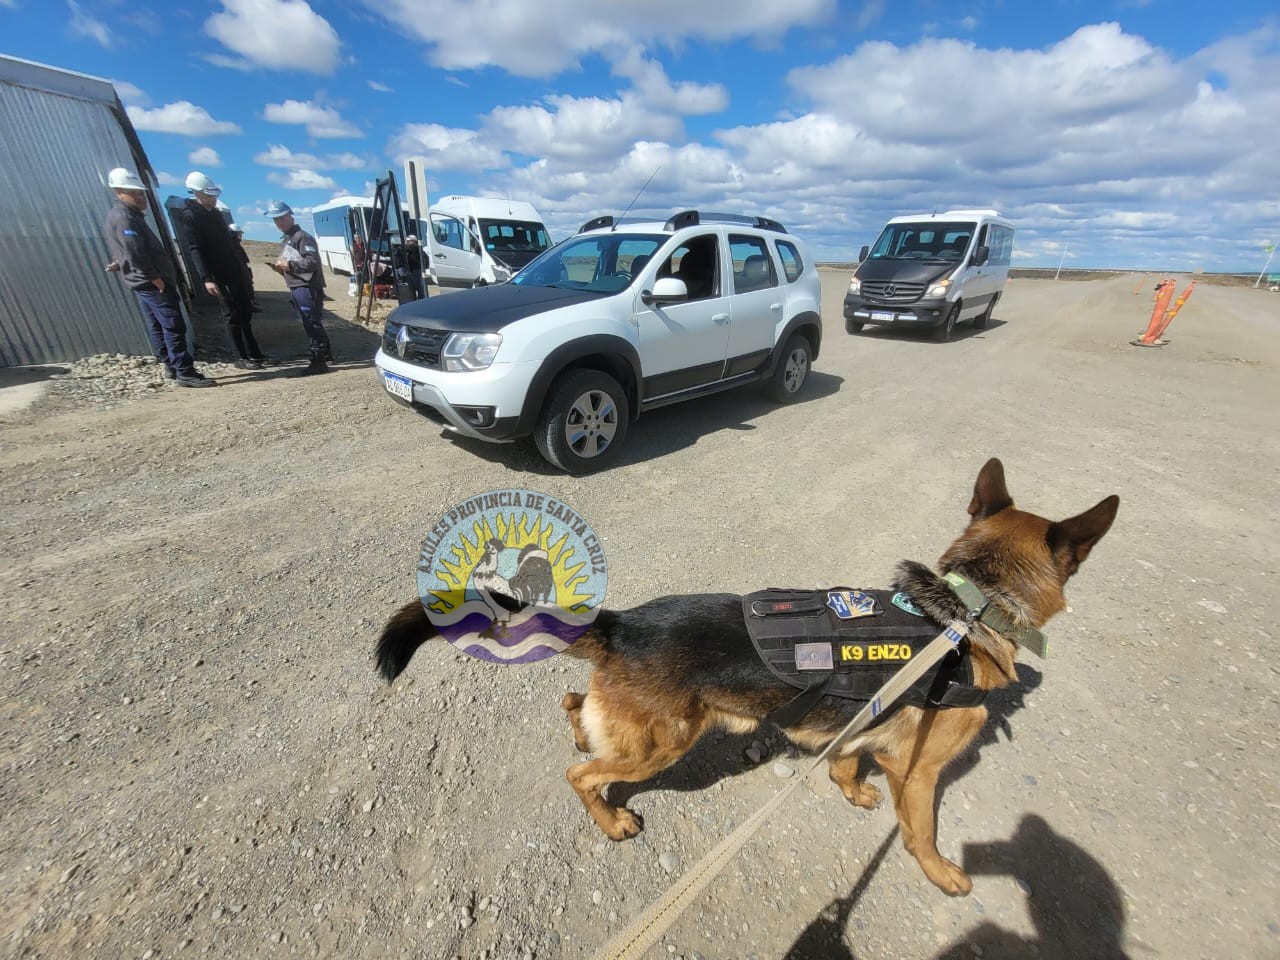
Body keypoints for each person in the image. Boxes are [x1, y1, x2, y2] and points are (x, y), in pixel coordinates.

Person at [101, 168, 215, 388]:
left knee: (157, 325)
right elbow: (136, 252)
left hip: (144, 282)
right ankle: (184, 371)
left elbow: (126, 251)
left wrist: (120, 263)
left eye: (141, 193)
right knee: (172, 325)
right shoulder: (125, 218)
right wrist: (156, 279)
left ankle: (172, 366)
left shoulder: (122, 216)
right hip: (152, 284)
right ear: (118, 192)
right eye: (134, 193)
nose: (140, 197)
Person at [173, 172, 269, 369]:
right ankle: (240, 357)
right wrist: (207, 278)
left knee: (244, 311)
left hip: (233, 270)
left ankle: (255, 353)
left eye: (214, 195)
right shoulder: (190, 216)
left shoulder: (215, 214)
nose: (213, 198)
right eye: (209, 195)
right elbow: (195, 249)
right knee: (231, 314)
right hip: (218, 273)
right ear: (197, 193)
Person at [265, 200, 331, 376]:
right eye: (275, 220)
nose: (278, 222)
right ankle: (323, 354)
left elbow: (312, 262)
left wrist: (290, 266)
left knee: (311, 322)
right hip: (298, 285)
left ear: (290, 216)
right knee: (309, 321)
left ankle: (319, 360)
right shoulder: (289, 239)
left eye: (281, 218)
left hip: (307, 287)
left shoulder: (302, 237)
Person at [227, 221, 263, 313]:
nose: (240, 236)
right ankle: (247, 307)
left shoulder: (235, 244)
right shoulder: (232, 246)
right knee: (244, 289)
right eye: (239, 233)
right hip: (238, 271)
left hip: (242, 269)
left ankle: (249, 304)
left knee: (248, 286)